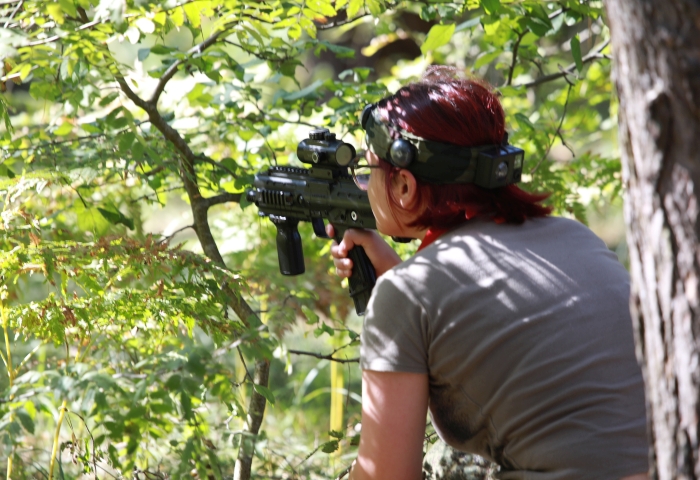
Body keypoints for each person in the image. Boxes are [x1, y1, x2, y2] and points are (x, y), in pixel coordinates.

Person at [327, 66, 650, 480]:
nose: (363, 183)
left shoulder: (406, 295)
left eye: (369, 171)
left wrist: (398, 292)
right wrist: (404, 280)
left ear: (404, 187)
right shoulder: (575, 236)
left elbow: (385, 475)